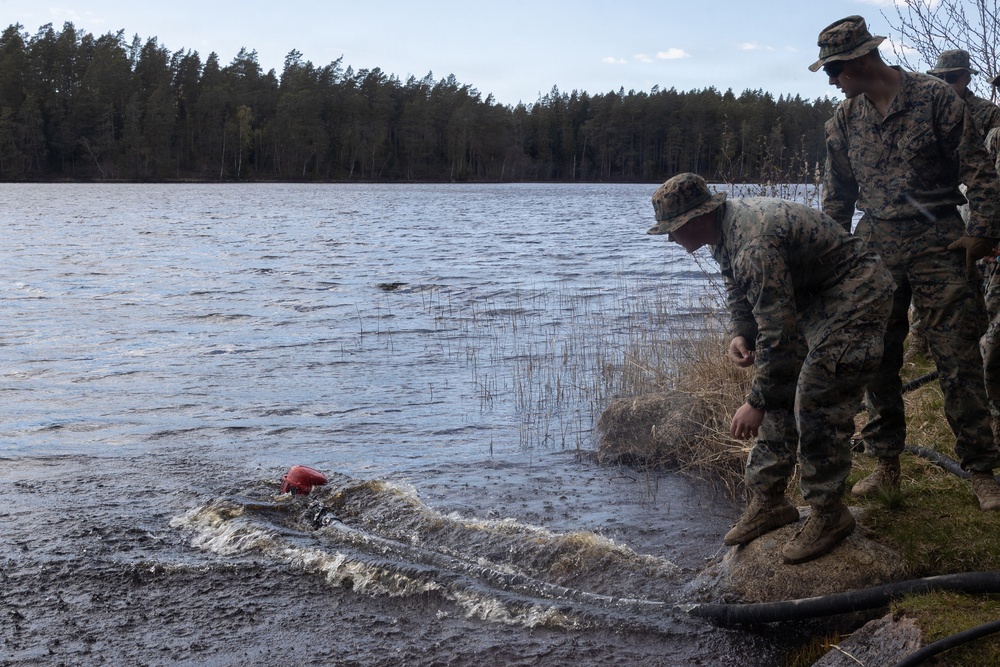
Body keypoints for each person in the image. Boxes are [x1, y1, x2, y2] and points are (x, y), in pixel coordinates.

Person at [648, 172, 893, 564]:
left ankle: (830, 514)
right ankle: (770, 502)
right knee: (785, 389)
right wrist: (740, 333)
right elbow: (737, 286)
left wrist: (756, 402)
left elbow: (778, 336)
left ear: (694, 220)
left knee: (816, 395)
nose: (670, 239)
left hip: (857, 293)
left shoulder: (753, 245)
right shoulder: (723, 232)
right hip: (815, 297)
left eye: (672, 230)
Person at [812, 15, 1000, 510]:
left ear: (859, 60)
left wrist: (981, 233)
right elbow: (838, 195)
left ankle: (982, 471)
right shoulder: (845, 118)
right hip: (875, 247)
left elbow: (979, 171)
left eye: (835, 69)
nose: (832, 80)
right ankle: (886, 466)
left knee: (958, 358)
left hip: (939, 241)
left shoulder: (935, 98)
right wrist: (830, 257)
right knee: (877, 360)